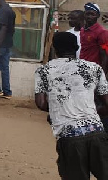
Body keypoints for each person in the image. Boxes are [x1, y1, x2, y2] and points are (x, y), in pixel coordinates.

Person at [35, 32, 108, 179]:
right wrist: (94, 111)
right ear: (76, 47)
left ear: (55, 49)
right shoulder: (94, 68)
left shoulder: (44, 71)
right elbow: (106, 102)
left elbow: (42, 103)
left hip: (69, 137)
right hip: (97, 132)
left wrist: (59, 111)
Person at [80, 3, 108, 69]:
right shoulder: (82, 30)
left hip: (94, 68)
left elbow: (105, 55)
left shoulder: (102, 32)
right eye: (87, 14)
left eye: (92, 14)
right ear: (84, 14)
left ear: (98, 15)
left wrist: (102, 73)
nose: (89, 16)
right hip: (82, 66)